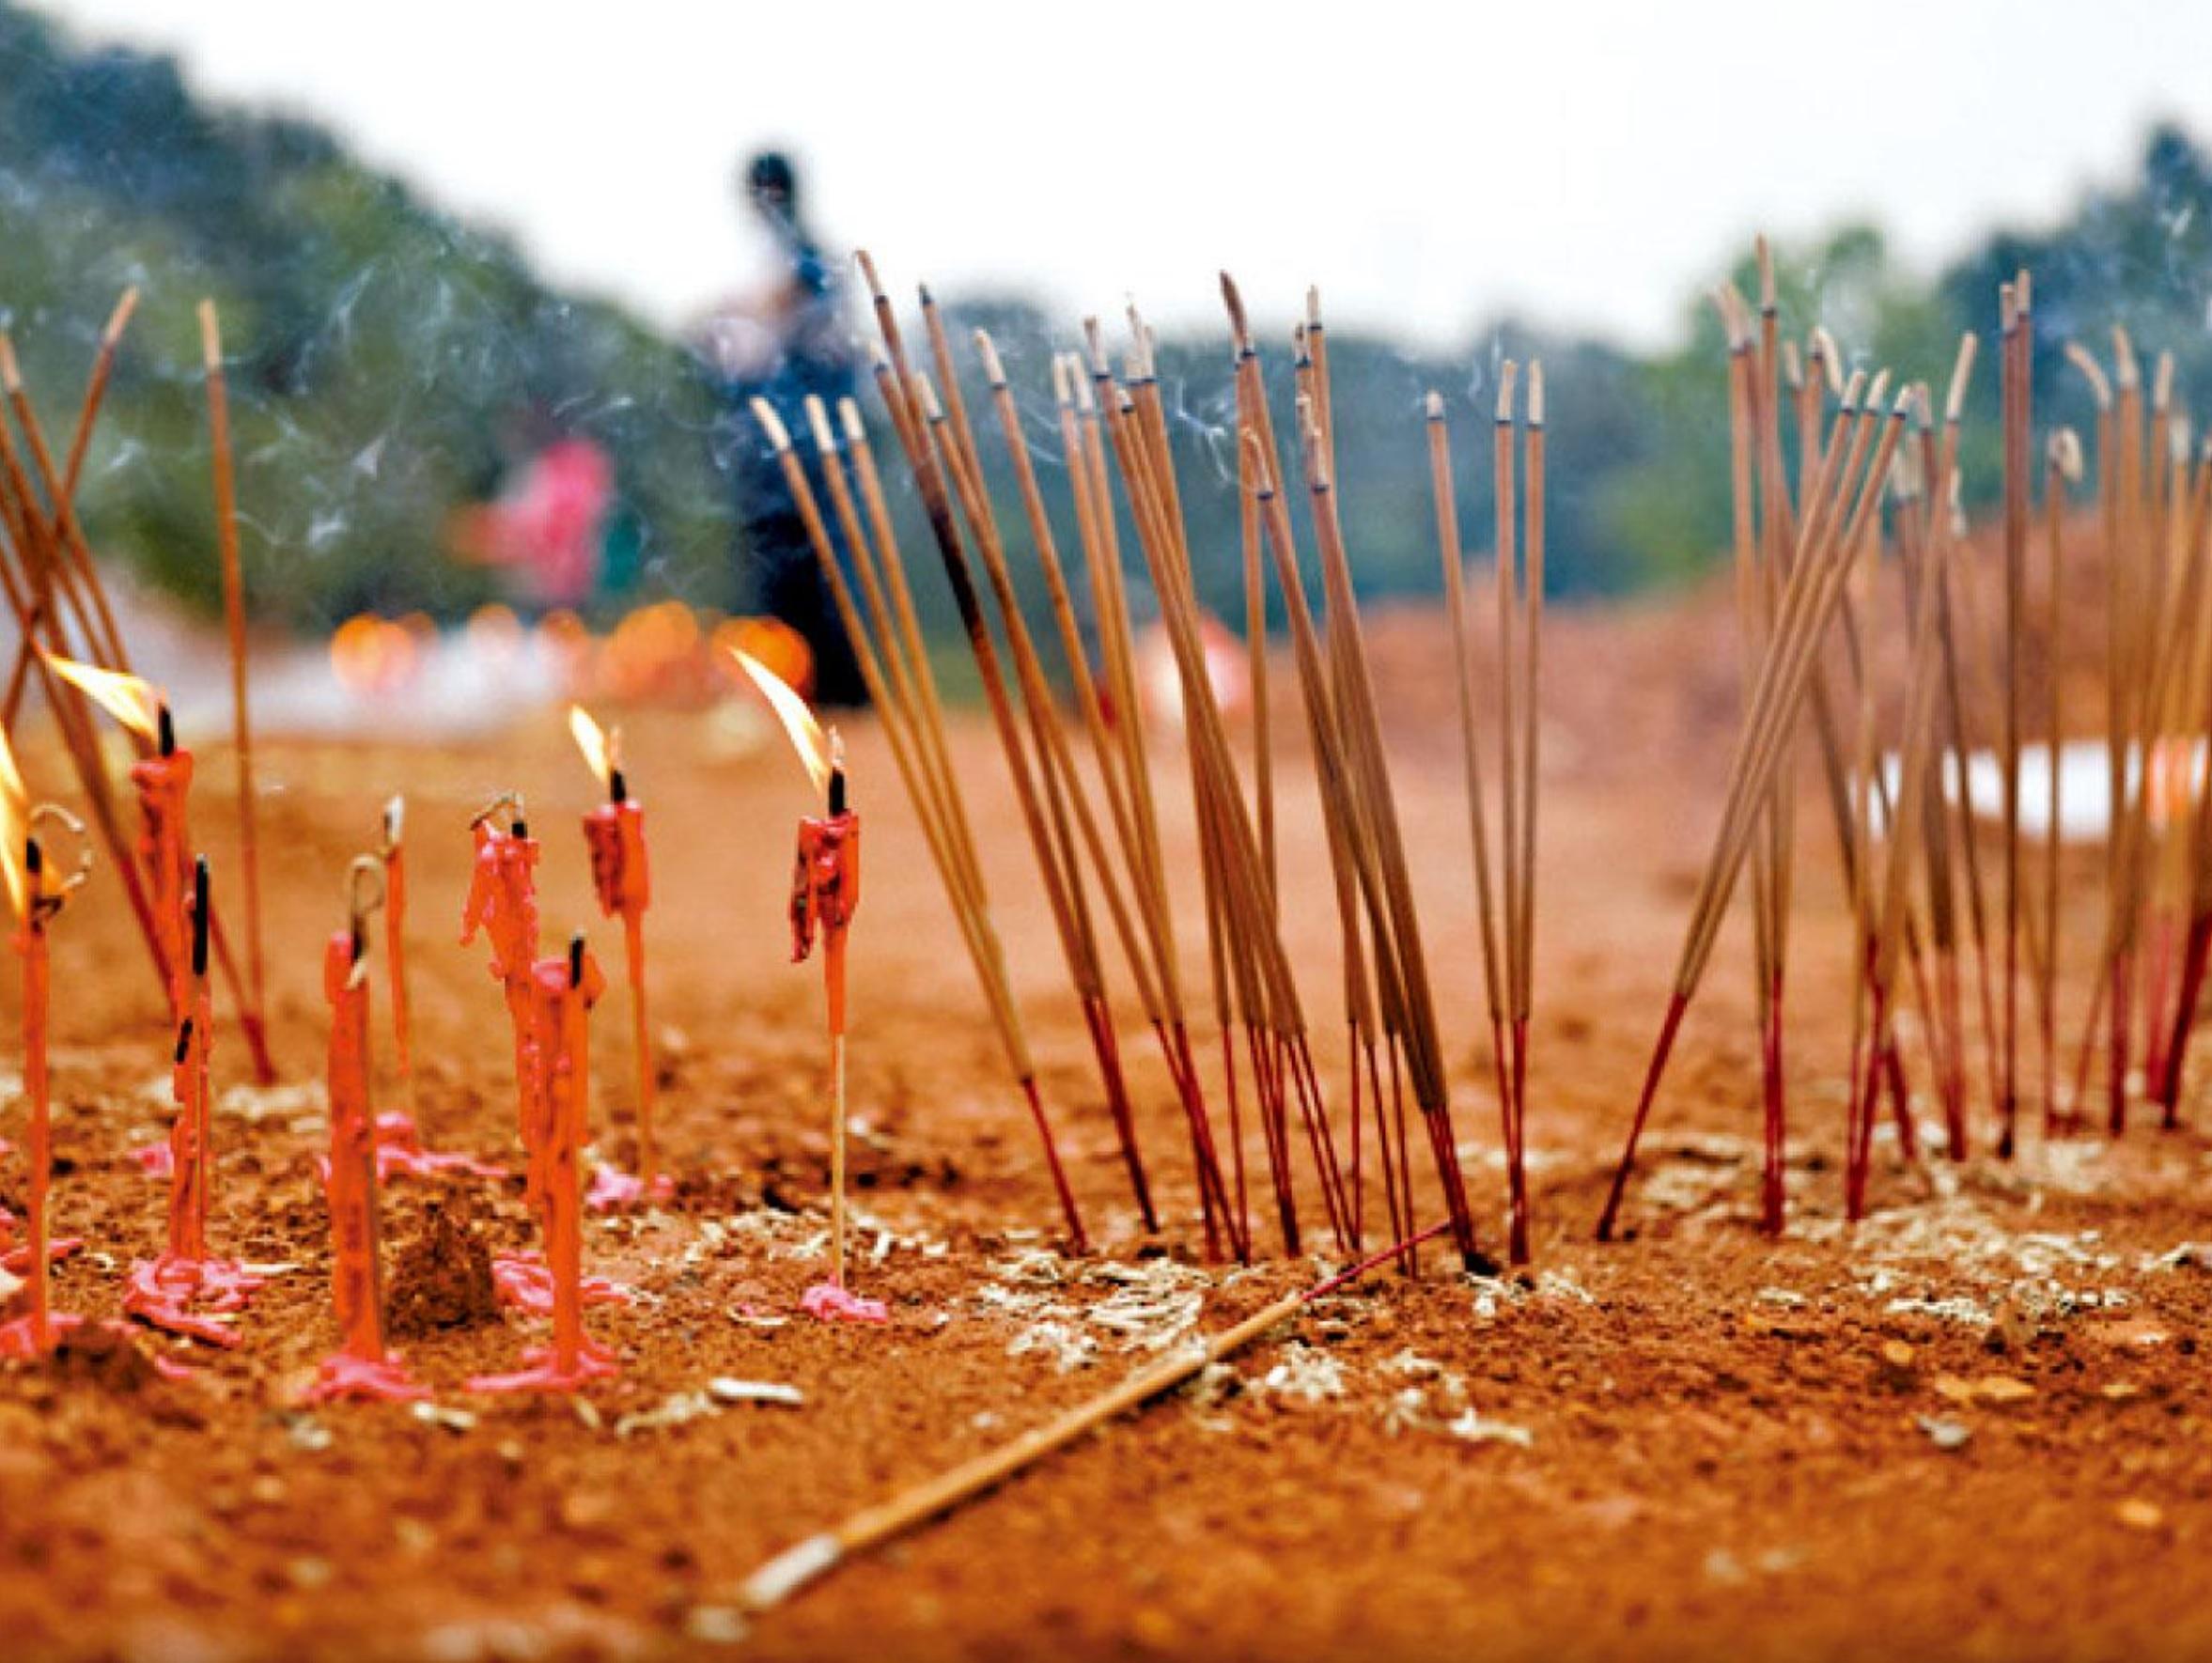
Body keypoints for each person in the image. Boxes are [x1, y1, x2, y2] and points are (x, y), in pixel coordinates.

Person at [693, 150, 866, 706]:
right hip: (769, 450)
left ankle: (840, 693)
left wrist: (731, 311)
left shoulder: (808, 259)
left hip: (813, 450)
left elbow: (792, 305)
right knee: (778, 573)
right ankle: (790, 687)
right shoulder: (779, 257)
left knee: (821, 571)